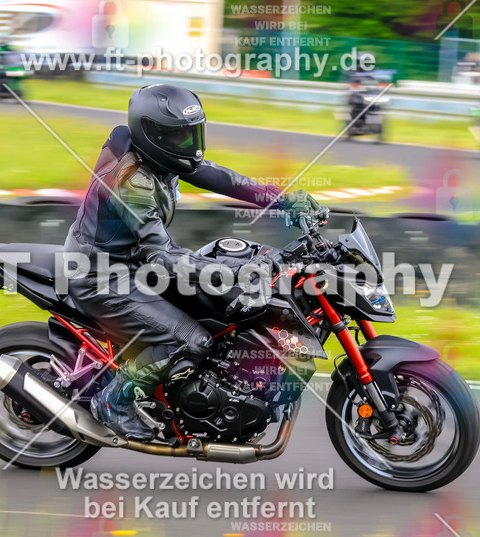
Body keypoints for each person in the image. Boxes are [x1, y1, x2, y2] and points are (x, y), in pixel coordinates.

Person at [63, 84, 319, 440]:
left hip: (133, 264)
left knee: (216, 308)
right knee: (192, 340)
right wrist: (232, 273)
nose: (191, 144)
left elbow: (216, 175)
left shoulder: (156, 156)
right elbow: (163, 255)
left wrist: (280, 199)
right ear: (153, 135)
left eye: (193, 132)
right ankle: (114, 401)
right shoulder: (132, 183)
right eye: (179, 135)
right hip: (102, 278)